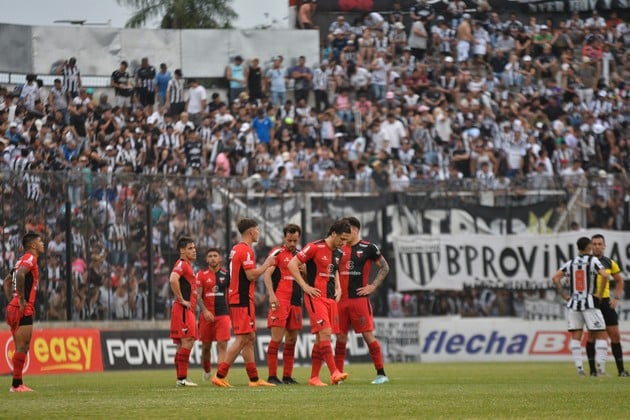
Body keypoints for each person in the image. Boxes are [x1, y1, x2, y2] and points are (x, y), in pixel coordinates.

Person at [212, 218, 277, 388]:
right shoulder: (246, 251)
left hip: (238, 298)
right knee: (241, 339)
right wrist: (267, 264)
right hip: (241, 299)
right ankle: (220, 375)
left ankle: (254, 379)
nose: (258, 232)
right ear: (250, 231)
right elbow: (251, 275)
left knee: (250, 337)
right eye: (257, 229)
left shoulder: (236, 249)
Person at [287, 219, 351, 387]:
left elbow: (334, 270)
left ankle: (314, 378)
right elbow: (293, 264)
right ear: (333, 233)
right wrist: (304, 286)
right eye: (342, 239)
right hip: (315, 296)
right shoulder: (314, 246)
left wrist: (339, 288)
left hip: (330, 298)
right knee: (326, 334)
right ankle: (334, 372)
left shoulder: (338, 252)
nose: (344, 243)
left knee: (319, 339)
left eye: (346, 240)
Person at [336, 217, 390, 384]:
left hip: (359, 301)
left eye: (347, 229)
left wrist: (372, 286)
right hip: (340, 301)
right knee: (340, 339)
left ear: (355, 230)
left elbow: (385, 267)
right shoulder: (338, 248)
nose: (344, 233)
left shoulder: (369, 248)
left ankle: (381, 373)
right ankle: (338, 375)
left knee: (368, 336)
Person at [551, 236, 610, 376]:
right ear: (589, 247)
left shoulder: (571, 263)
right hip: (589, 303)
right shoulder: (593, 260)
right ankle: (601, 369)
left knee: (576, 337)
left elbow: (555, 278)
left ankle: (580, 369)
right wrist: (600, 294)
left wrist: (564, 296)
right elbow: (605, 276)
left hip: (574, 305)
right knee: (601, 335)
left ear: (578, 248)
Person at [263, 224, 304, 385]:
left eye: (295, 240)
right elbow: (267, 275)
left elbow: (305, 277)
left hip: (296, 300)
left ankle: (287, 376)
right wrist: (271, 295)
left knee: (292, 339)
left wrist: (305, 270)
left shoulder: (301, 255)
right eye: (289, 240)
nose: (292, 243)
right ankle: (272, 376)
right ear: (284, 238)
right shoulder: (277, 253)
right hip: (280, 299)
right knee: (276, 339)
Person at [4, 232, 45, 392]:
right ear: (33, 245)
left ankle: (18, 383)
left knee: (21, 347)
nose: (43, 244)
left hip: (13, 308)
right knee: (23, 346)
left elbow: (7, 282)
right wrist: (20, 300)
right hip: (22, 308)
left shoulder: (20, 260)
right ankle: (16, 385)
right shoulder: (30, 259)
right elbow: (20, 274)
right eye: (40, 241)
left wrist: (12, 301)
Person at [586, 234, 629, 376]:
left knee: (615, 336)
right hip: (591, 301)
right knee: (592, 336)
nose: (597, 246)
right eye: (594, 244)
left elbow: (620, 281)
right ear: (590, 246)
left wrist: (616, 297)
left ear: (604, 246)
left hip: (605, 301)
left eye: (600, 244)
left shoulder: (610, 262)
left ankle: (621, 370)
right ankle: (593, 371)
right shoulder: (585, 262)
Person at [197, 247, 231, 381]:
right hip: (207, 316)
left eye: (215, 256)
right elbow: (198, 297)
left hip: (223, 315)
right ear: (206, 259)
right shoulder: (201, 274)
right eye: (210, 256)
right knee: (206, 347)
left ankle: (220, 376)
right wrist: (205, 311)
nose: (212, 258)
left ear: (220, 258)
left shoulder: (226, 274)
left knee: (222, 345)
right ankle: (206, 369)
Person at [169, 236, 198, 387]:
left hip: (186, 309)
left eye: (194, 248)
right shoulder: (182, 264)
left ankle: (181, 378)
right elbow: (173, 279)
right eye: (190, 248)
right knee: (187, 341)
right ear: (182, 250)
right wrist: (181, 299)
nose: (194, 251)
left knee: (183, 343)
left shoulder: (187, 265)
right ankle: (182, 378)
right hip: (183, 308)